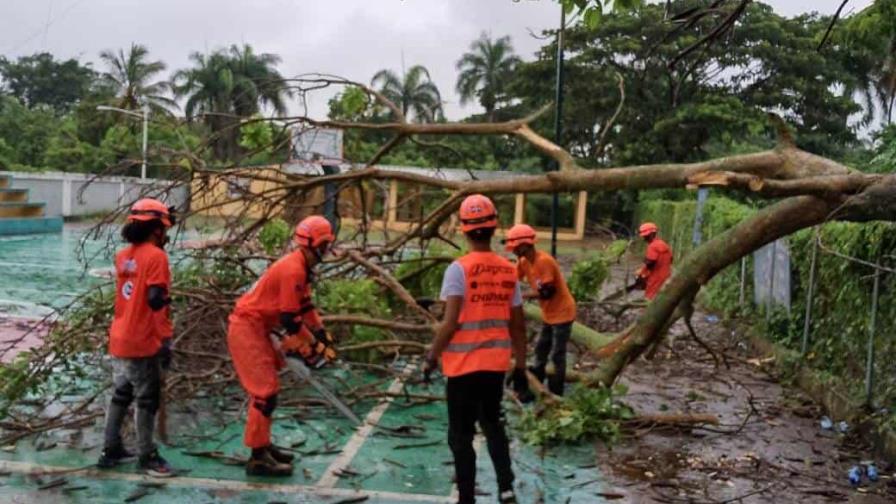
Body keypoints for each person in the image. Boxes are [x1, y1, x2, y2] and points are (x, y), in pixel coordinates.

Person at [423, 194, 533, 504]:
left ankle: (467, 498)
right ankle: (506, 488)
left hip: (462, 369)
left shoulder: (459, 270)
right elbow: (519, 326)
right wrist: (521, 367)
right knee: (493, 426)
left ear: (464, 229)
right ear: (494, 228)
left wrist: (431, 357)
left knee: (460, 437)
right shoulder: (508, 271)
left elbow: (450, 323)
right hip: (494, 368)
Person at [226, 215, 336, 476]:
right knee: (265, 393)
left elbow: (305, 307)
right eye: (324, 246)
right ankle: (257, 457)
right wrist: (313, 347)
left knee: (270, 390)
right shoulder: (293, 268)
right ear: (315, 245)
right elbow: (290, 319)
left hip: (260, 327)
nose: (326, 251)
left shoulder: (302, 268)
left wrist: (322, 334)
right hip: (247, 328)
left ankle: (263, 445)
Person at [98, 198, 175, 477]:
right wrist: (165, 340)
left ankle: (111, 448)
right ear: (157, 229)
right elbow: (156, 300)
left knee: (121, 393)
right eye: (164, 229)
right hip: (142, 340)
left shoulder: (124, 257)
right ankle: (147, 455)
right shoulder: (156, 257)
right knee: (147, 399)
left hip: (120, 337)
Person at [504, 224, 576, 396]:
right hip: (549, 314)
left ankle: (556, 392)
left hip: (563, 313)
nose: (513, 251)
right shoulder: (523, 262)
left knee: (557, 354)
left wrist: (523, 297)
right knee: (541, 349)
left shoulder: (543, 261)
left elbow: (547, 292)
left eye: (515, 247)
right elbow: (511, 280)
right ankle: (536, 382)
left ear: (525, 245)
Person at [628, 222, 673, 300]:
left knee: (650, 297)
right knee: (662, 297)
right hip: (667, 276)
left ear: (651, 234)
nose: (644, 238)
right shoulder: (664, 244)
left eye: (646, 236)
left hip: (655, 277)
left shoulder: (652, 246)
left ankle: (647, 311)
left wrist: (642, 272)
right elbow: (671, 258)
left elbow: (650, 262)